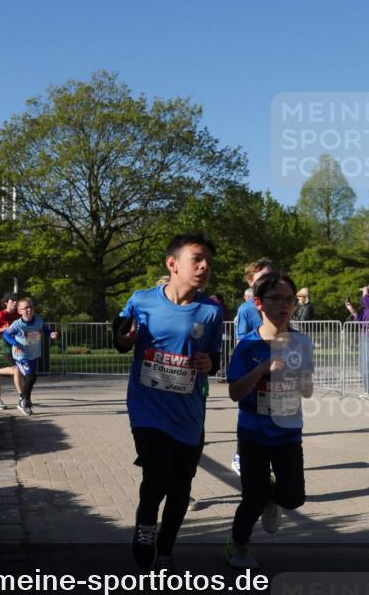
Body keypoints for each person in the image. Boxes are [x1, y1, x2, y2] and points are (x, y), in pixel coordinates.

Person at [113, 233, 224, 572]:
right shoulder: (142, 300)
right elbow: (119, 335)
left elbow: (215, 358)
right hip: (147, 407)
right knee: (157, 472)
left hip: (188, 412)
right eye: (197, 259)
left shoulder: (211, 311)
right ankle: (145, 527)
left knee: (180, 486)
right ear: (173, 264)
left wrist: (210, 364)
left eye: (208, 261)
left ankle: (166, 547)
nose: (204, 266)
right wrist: (124, 337)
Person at [225, 273, 313, 569]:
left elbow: (308, 390)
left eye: (289, 299)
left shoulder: (301, 341)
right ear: (259, 304)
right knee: (252, 496)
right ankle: (237, 546)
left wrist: (300, 378)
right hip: (254, 434)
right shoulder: (248, 346)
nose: (284, 305)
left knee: (294, 498)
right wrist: (265, 367)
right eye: (275, 299)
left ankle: (271, 499)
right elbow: (235, 393)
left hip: (288, 434)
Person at [230, 258, 276, 475]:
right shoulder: (247, 309)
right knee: (250, 416)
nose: (269, 281)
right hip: (253, 370)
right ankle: (240, 454)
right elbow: (241, 340)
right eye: (263, 277)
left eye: (272, 276)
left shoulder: (278, 302)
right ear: (251, 281)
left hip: (276, 371)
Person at [2, 298, 57, 416]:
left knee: (30, 379)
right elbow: (6, 334)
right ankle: (23, 401)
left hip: (33, 354)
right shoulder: (17, 324)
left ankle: (26, 400)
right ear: (19, 311)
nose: (29, 310)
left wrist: (51, 334)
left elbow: (46, 329)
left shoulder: (38, 320)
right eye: (25, 308)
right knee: (31, 377)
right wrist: (15, 343)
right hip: (21, 355)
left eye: (31, 307)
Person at [0, 293, 22, 398]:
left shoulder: (18, 315)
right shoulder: (0, 315)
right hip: (6, 345)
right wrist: (2, 330)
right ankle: (22, 395)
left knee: (20, 369)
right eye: (13, 300)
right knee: (17, 369)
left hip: (17, 344)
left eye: (16, 300)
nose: (15, 302)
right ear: (6, 302)